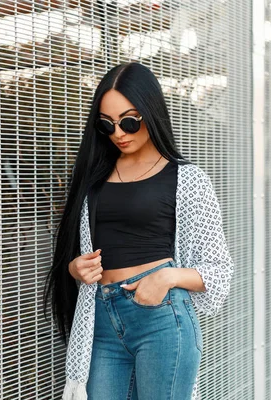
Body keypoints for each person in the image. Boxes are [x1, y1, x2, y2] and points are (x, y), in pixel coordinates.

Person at [42, 61, 234, 400]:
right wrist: (75, 268)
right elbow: (73, 253)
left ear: (151, 111)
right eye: (107, 124)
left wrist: (168, 277)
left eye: (129, 121)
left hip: (160, 318)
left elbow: (219, 271)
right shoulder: (93, 176)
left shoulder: (187, 180)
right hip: (101, 320)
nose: (119, 133)